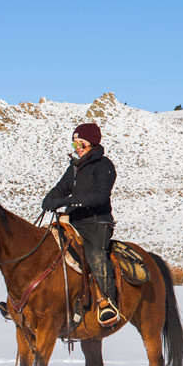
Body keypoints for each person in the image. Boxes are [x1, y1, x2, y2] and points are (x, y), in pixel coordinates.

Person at [41, 122, 120, 326]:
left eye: (81, 143)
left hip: (96, 223)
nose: (77, 147)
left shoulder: (104, 166)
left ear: (92, 143)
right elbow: (60, 189)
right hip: (74, 221)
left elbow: (99, 196)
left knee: (95, 256)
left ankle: (108, 303)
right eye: (75, 143)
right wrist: (50, 200)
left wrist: (67, 202)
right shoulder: (74, 168)